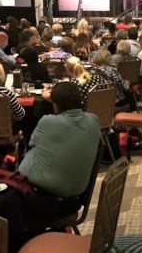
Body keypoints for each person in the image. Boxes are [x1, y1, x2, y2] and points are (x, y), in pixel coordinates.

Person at [18, 81, 100, 226]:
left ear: (55, 105)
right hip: (76, 197)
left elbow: (31, 143)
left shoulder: (47, 122)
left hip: (43, 198)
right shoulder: (94, 120)